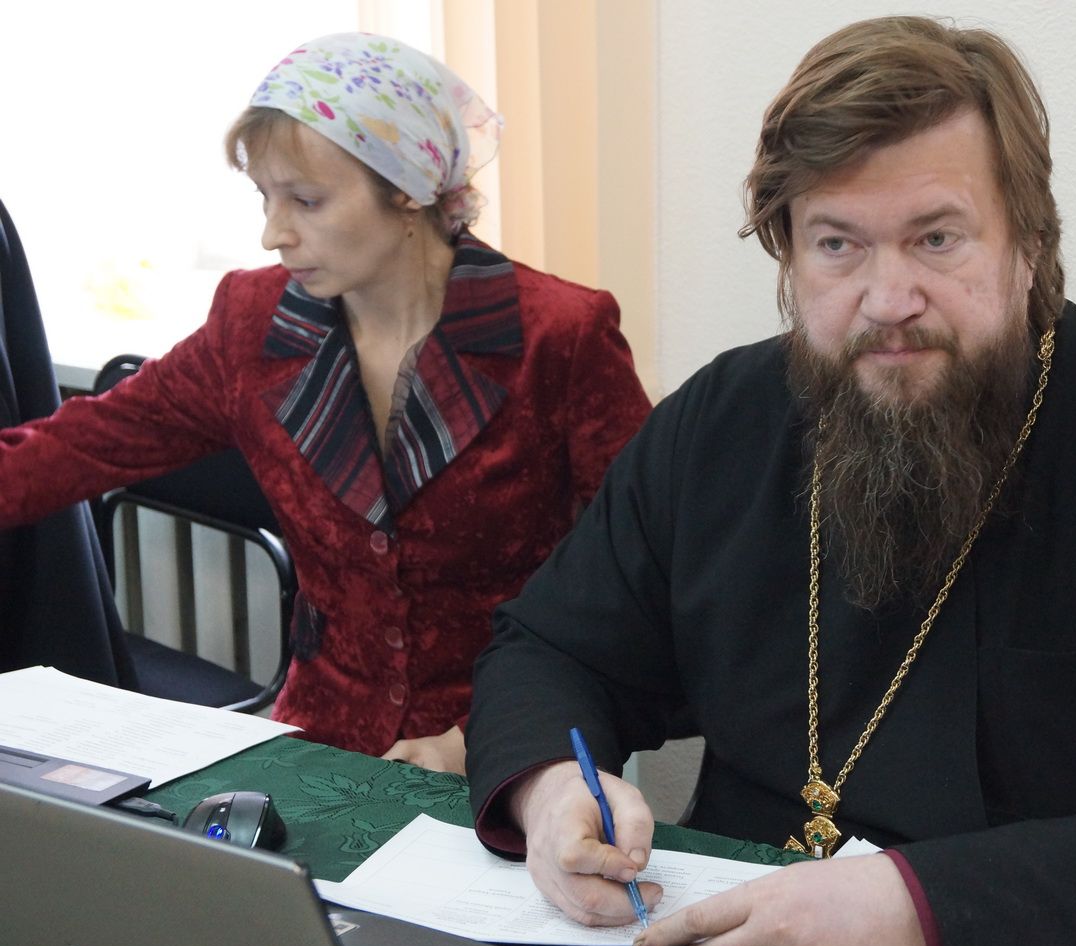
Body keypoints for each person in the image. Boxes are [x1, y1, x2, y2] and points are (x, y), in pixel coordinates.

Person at [465, 15, 1076, 946]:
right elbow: (552, 648)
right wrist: (552, 790)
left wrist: (909, 906)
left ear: (1029, 243)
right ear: (790, 255)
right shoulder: (719, 423)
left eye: (937, 238)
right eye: (838, 244)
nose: (888, 298)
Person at [0, 33, 651, 773]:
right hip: (319, 747)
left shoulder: (557, 336)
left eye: (306, 201)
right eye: (265, 197)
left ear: (408, 187)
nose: (272, 234)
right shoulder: (251, 325)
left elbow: (641, 579)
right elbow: (79, 446)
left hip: (512, 752)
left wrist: (483, 738)